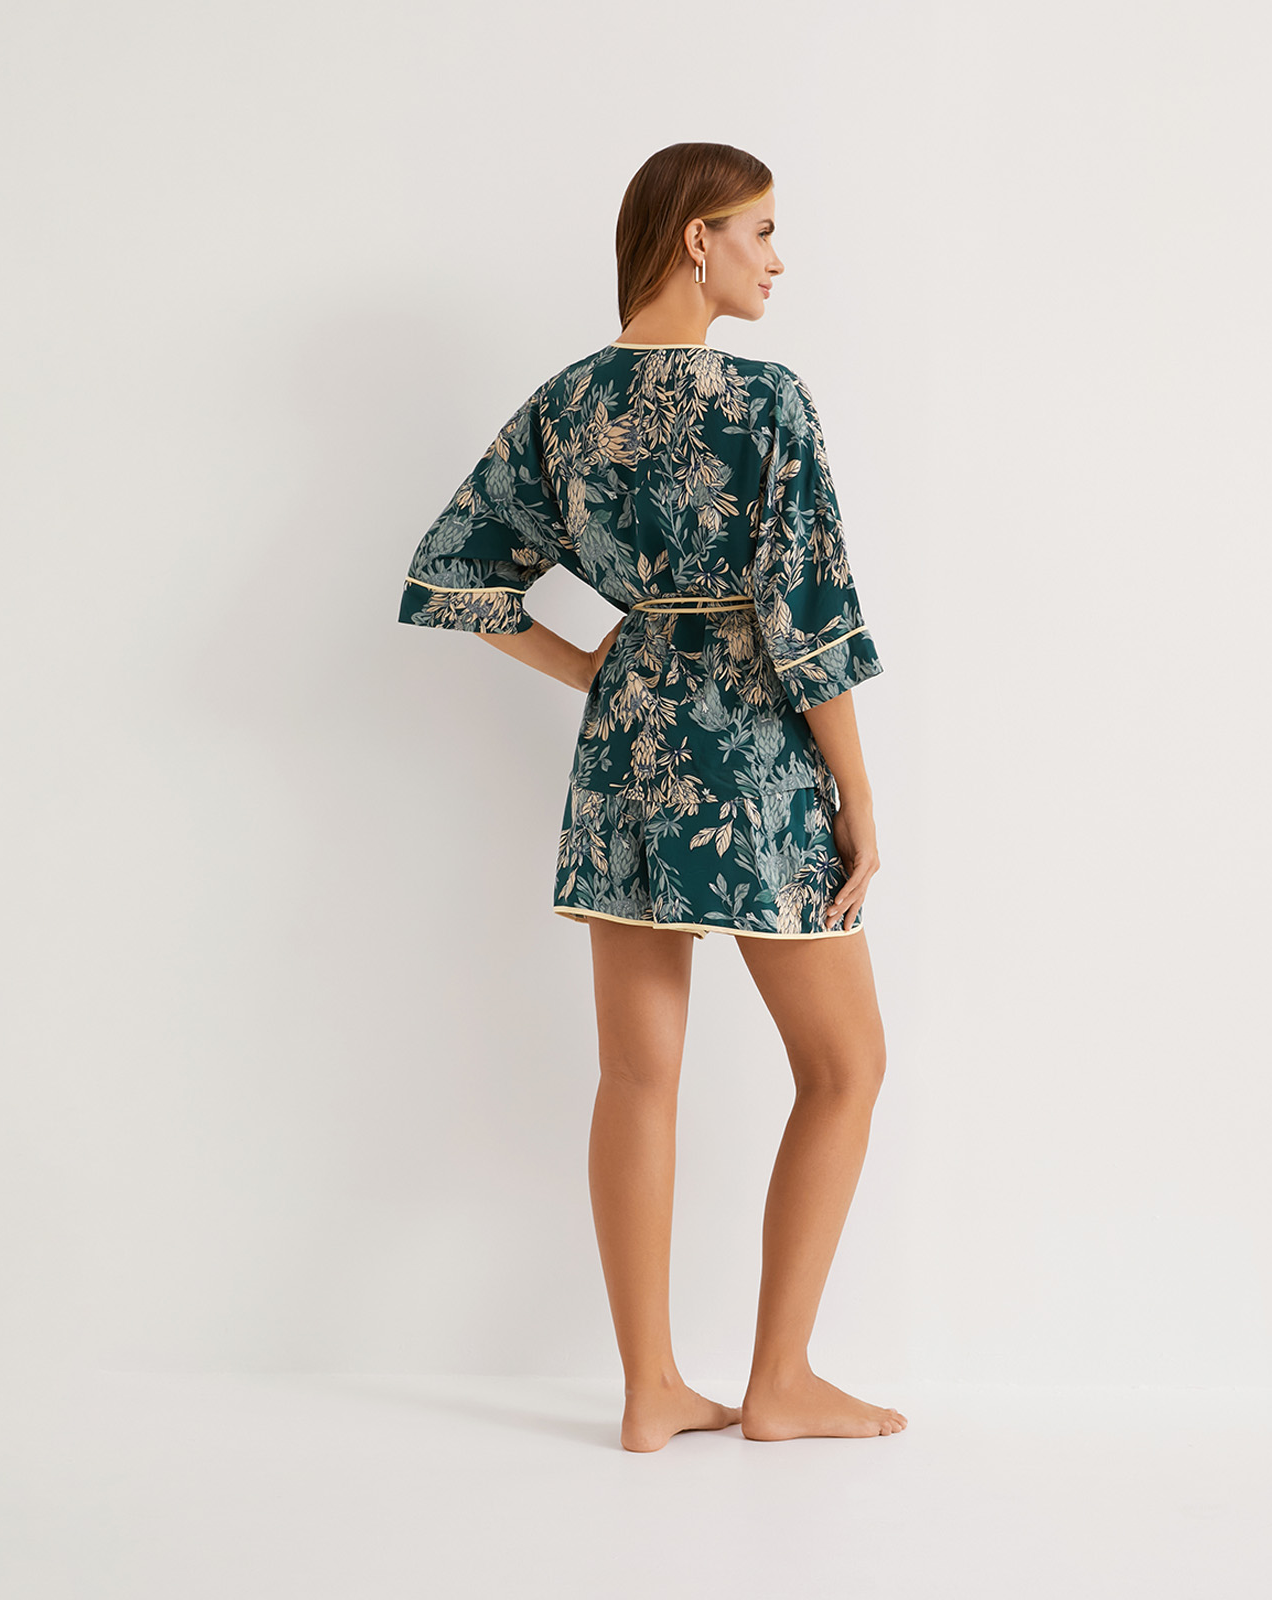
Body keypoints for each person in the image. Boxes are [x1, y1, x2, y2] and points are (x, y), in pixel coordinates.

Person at [398, 143, 903, 1451]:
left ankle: (650, 1389)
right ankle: (780, 1381)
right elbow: (808, 613)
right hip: (753, 755)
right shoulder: (767, 402)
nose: (777, 259)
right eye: (761, 231)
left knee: (635, 1073)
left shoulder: (569, 403)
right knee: (846, 1065)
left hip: (628, 751)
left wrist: (592, 668)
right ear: (696, 239)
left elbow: (453, 572)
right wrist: (857, 793)